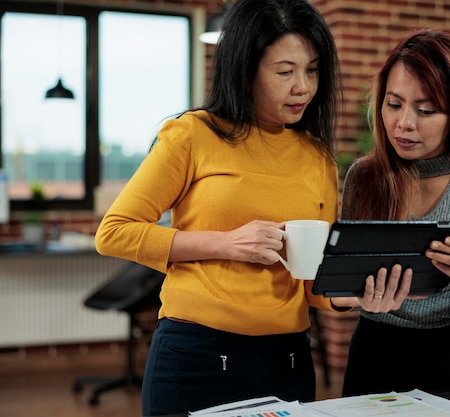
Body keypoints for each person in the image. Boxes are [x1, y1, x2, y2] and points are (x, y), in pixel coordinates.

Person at [94, 0, 411, 415]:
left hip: (287, 361)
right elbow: (115, 231)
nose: (304, 87)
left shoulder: (317, 157)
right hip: (195, 356)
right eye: (285, 72)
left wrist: (355, 297)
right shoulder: (192, 135)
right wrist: (226, 244)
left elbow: (312, 280)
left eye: (312, 70)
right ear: (245, 69)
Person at [340, 28, 450, 396]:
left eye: (425, 110)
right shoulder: (364, 176)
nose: (404, 123)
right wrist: (354, 295)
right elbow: (340, 286)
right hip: (372, 355)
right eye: (393, 104)